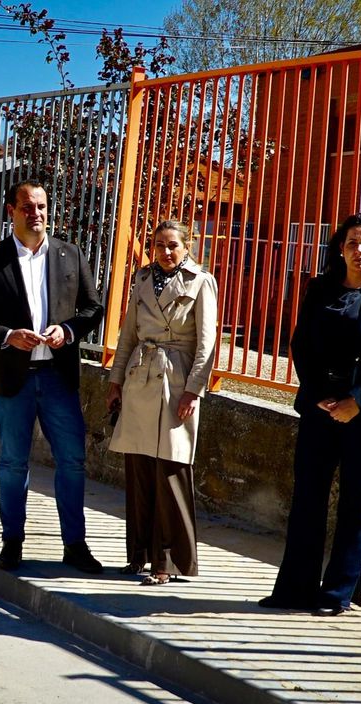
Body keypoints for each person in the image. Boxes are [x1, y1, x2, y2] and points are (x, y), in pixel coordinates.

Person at [260, 213, 361, 616]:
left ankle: (337, 593)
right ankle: (295, 589)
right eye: (351, 243)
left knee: (355, 503)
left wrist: (356, 401)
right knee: (307, 497)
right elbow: (301, 345)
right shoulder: (320, 289)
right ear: (340, 250)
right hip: (320, 407)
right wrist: (318, 395)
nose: (359, 250)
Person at [0, 179, 106, 574]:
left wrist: (67, 331)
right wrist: (7, 336)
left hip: (57, 377)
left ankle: (75, 545)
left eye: (41, 206)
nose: (35, 213)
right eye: (27, 207)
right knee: (13, 463)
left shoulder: (70, 254)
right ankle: (12, 543)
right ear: (12, 211)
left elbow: (93, 308)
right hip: (12, 380)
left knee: (72, 461)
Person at [105, 220, 219, 586]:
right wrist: (116, 381)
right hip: (140, 377)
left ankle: (168, 561)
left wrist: (194, 390)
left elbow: (207, 344)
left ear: (187, 246)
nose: (165, 252)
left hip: (176, 381)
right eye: (158, 245)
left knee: (171, 471)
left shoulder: (201, 282)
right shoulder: (142, 279)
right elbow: (128, 334)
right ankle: (138, 555)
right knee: (139, 470)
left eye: (173, 245)